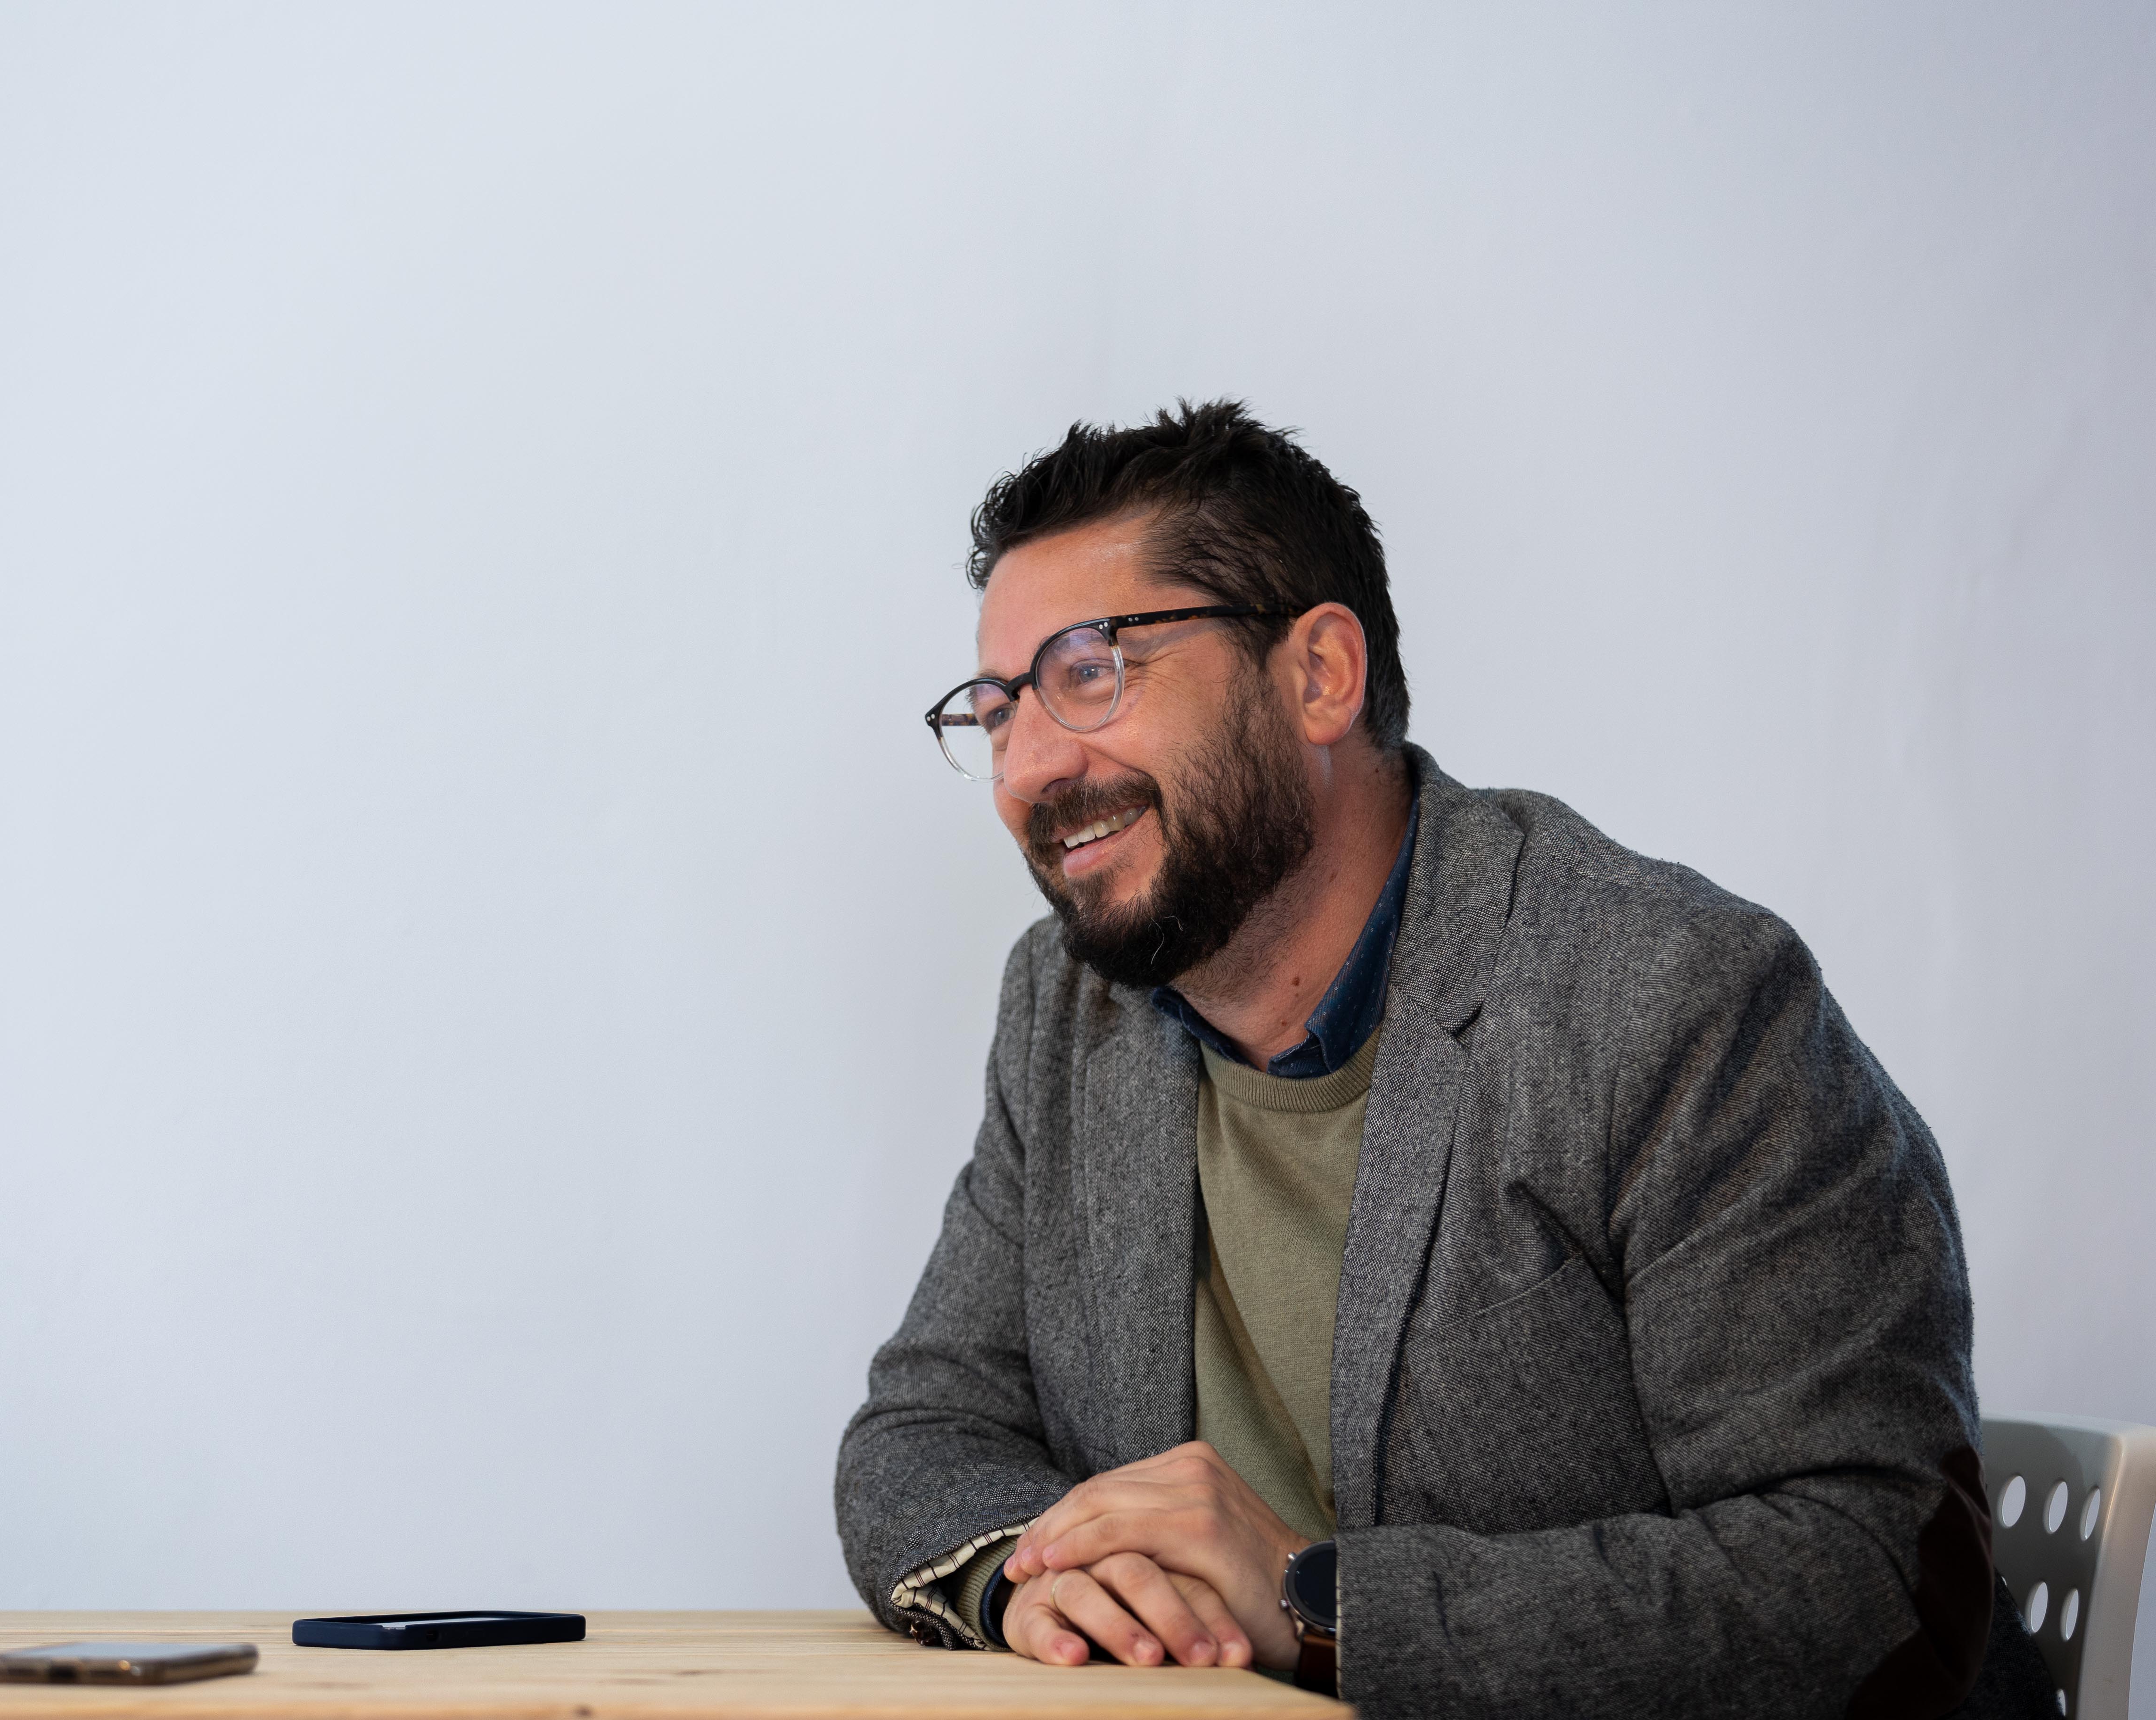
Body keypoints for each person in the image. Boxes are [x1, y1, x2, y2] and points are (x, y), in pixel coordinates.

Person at [834, 401, 2058, 1718]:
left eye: (1090, 672)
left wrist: (1317, 1603)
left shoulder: (1670, 996)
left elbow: (1872, 1574)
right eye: (996, 712)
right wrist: (1035, 1580)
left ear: (1319, 675)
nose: (1027, 768)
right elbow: (925, 1431)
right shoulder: (1066, 1010)